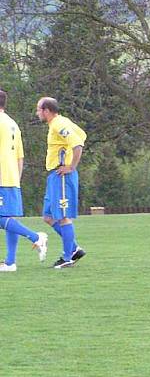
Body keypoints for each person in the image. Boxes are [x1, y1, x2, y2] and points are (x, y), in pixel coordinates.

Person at [35, 97, 86, 269]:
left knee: (63, 216)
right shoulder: (60, 123)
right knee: (48, 217)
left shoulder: (59, 124)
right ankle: (74, 248)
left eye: (38, 110)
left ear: (46, 110)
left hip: (62, 174)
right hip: (54, 176)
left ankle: (67, 257)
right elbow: (82, 134)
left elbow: (78, 143)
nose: (37, 113)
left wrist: (71, 166)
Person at [0, 90, 48, 270]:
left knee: (2, 218)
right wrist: (17, 177)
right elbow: (20, 155)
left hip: (2, 176)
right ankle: (10, 262)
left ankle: (36, 237)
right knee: (8, 217)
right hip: (11, 176)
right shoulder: (13, 124)